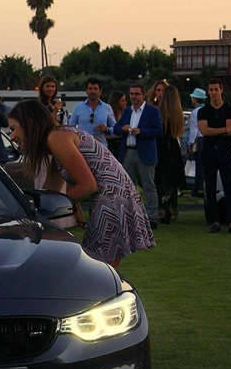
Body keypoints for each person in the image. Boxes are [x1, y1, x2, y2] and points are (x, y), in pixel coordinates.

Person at [8, 100, 154, 268]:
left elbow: (88, 186)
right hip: (117, 197)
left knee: (97, 271)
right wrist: (26, 209)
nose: (11, 137)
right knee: (98, 270)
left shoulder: (57, 138)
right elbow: (49, 193)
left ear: (29, 123)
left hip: (112, 200)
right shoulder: (56, 140)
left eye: (13, 129)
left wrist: (59, 206)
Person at [114, 82, 162, 228]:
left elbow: (159, 131)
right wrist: (122, 128)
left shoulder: (152, 111)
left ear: (143, 95)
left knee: (149, 186)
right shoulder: (127, 112)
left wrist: (141, 131)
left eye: (136, 94)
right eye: (131, 94)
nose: (133, 97)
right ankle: (131, 217)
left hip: (145, 153)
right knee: (129, 188)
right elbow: (116, 128)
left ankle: (152, 218)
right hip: (128, 152)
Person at [198, 78, 231, 233]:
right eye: (211, 90)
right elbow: (204, 131)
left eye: (216, 89)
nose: (214, 93)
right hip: (208, 152)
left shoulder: (230, 109)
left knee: (228, 187)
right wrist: (223, 130)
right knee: (210, 187)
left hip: (224, 152)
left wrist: (217, 130)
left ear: (221, 90)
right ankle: (214, 221)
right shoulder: (203, 111)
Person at [155, 85, 187, 224]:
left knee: (161, 180)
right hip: (173, 148)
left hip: (161, 148)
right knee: (172, 181)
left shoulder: (159, 113)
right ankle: (172, 209)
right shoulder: (178, 113)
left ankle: (162, 209)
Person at [68, 77, 114, 145]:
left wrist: (106, 129)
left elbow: (114, 128)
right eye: (90, 89)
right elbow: (71, 129)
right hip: (83, 147)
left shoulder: (107, 108)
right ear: (86, 91)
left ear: (100, 91)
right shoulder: (78, 108)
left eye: (95, 89)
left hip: (101, 146)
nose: (93, 91)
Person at [186, 87, 206, 197]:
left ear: (196, 99)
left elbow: (194, 130)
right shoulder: (208, 109)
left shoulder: (195, 112)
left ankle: (196, 190)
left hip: (199, 140)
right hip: (208, 139)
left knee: (199, 166)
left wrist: (190, 143)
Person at [105, 91, 127, 158]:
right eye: (122, 101)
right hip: (111, 146)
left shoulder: (126, 115)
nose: (126, 102)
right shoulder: (108, 116)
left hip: (123, 146)